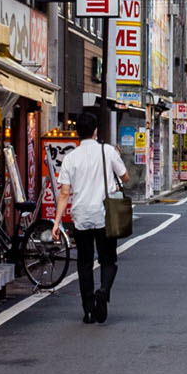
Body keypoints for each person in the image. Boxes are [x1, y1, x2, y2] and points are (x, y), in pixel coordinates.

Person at [51, 111, 129, 324]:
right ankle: (103, 291)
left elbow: (64, 193)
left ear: (77, 132)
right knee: (108, 260)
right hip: (105, 214)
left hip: (81, 216)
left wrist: (57, 223)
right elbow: (126, 177)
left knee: (84, 263)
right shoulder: (108, 151)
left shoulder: (70, 157)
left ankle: (87, 310)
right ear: (95, 131)